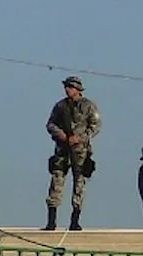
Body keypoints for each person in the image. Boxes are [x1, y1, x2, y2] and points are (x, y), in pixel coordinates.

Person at [45, 76, 101, 231]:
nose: (67, 89)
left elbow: (95, 125)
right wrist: (61, 135)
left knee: (79, 183)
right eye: (66, 87)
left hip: (80, 151)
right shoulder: (60, 106)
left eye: (70, 87)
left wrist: (80, 138)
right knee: (57, 182)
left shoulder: (88, 106)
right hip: (62, 149)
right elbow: (50, 124)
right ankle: (51, 220)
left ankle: (75, 220)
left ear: (77, 89)